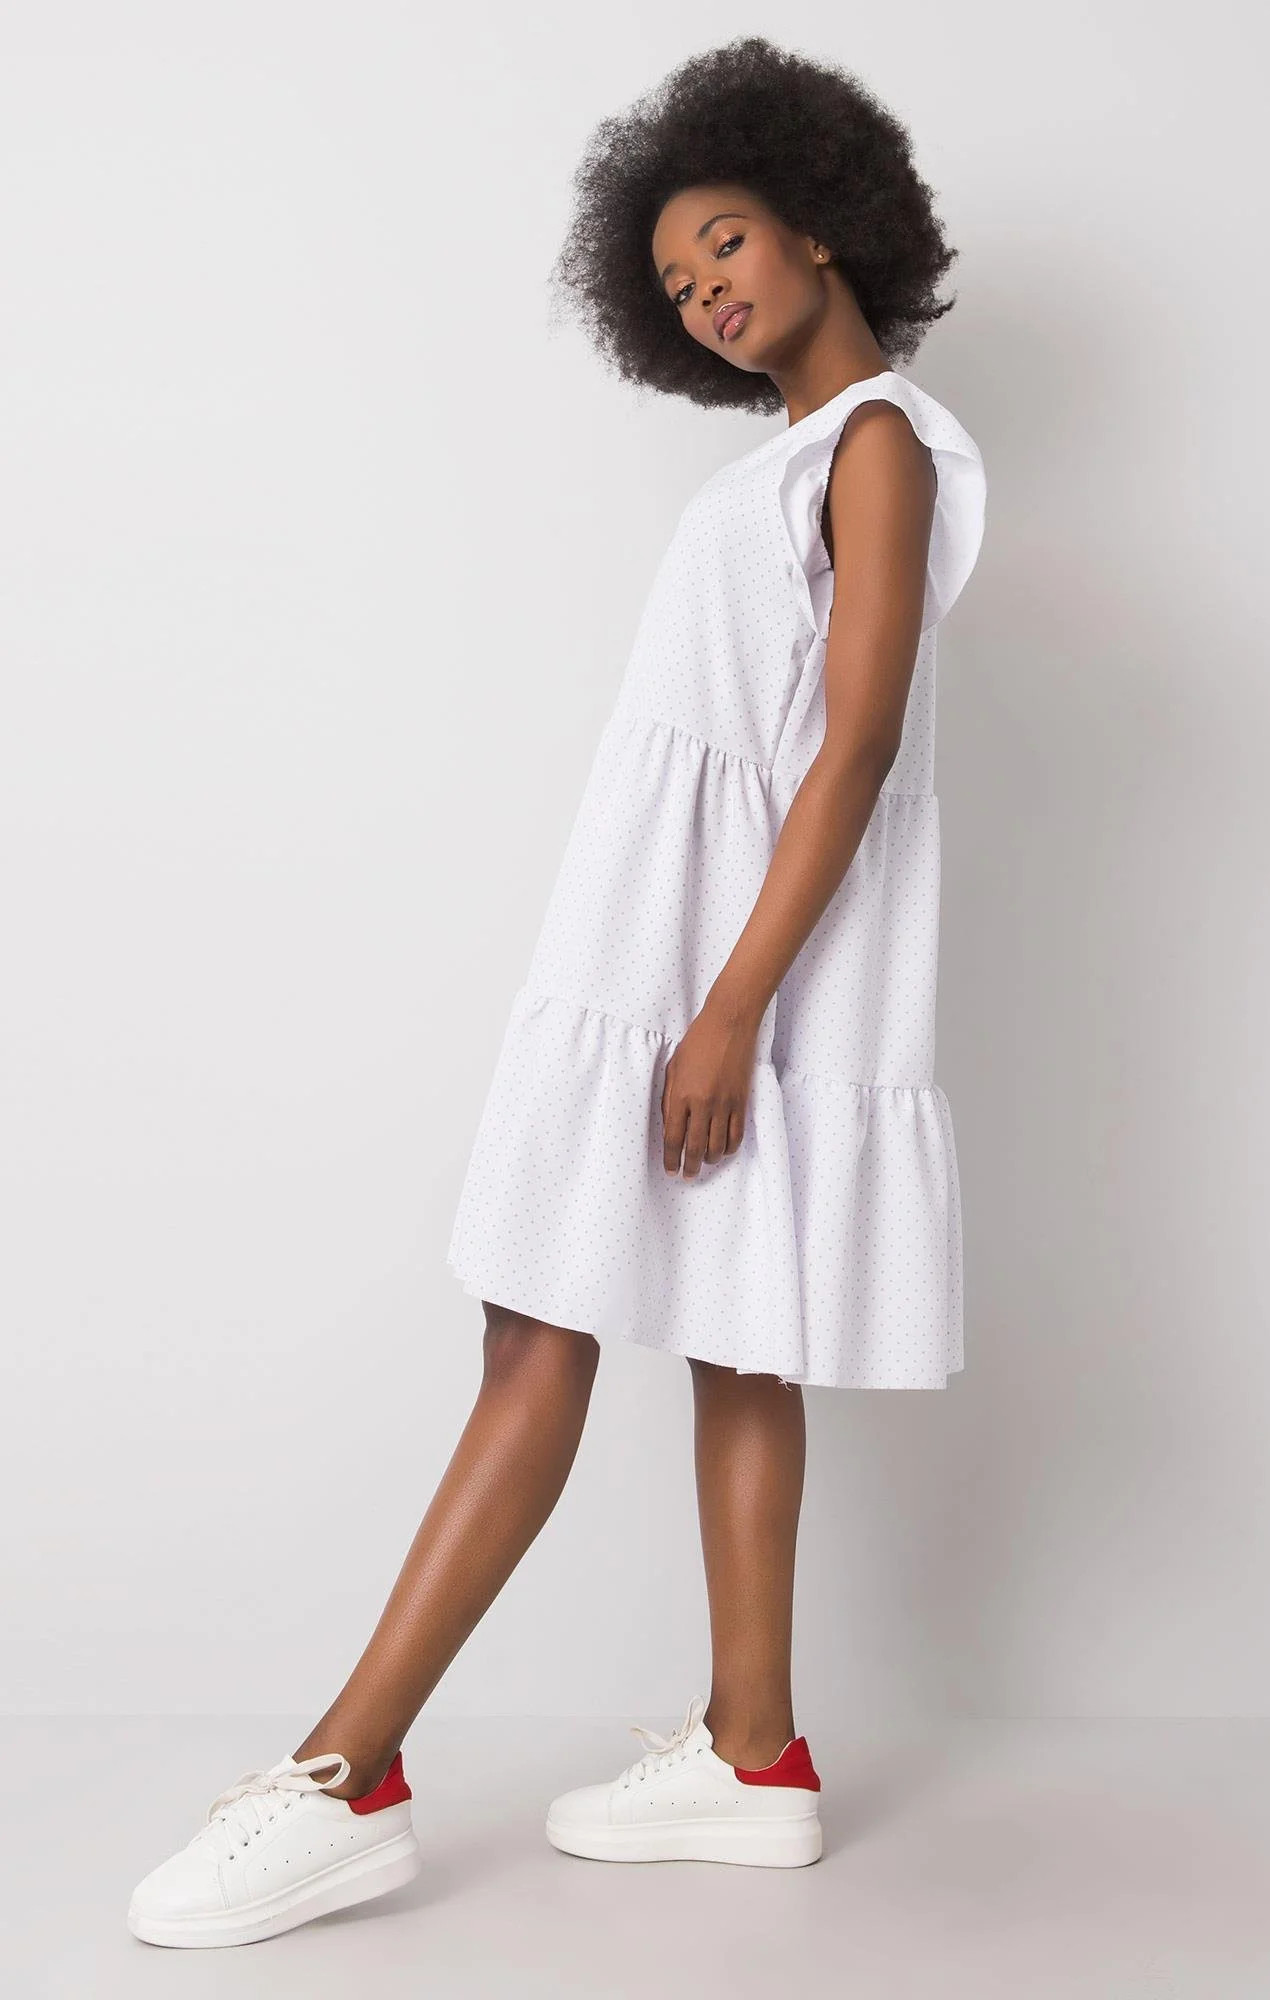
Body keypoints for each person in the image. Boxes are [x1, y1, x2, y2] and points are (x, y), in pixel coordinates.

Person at [127, 34, 986, 1948]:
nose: (705, 291)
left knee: (539, 1331)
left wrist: (730, 1009)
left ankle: (346, 1775)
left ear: (822, 221)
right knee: (735, 1335)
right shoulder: (794, 459)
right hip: (675, 950)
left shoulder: (878, 445)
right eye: (674, 282)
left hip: (717, 969)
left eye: (726, 243)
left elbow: (853, 750)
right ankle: (754, 1753)